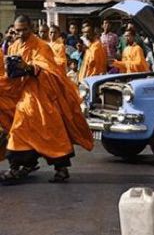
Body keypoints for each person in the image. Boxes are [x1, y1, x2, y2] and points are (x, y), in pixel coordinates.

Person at [0, 15, 93, 183]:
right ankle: (21, 166)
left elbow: (50, 71)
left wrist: (29, 68)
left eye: (24, 30)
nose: (20, 33)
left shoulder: (41, 46)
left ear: (31, 28)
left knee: (45, 130)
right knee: (22, 130)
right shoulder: (13, 47)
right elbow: (10, 74)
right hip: (24, 94)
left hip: (41, 94)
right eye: (17, 30)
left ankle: (59, 168)